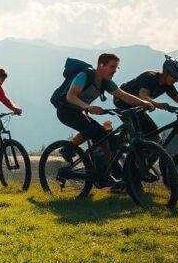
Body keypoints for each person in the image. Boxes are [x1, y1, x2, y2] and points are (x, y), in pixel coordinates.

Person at [53, 53, 153, 187]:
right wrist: (87, 107)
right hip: (65, 111)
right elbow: (70, 96)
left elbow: (122, 95)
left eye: (116, 68)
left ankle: (104, 173)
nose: (114, 71)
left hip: (77, 112)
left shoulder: (105, 81)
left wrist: (143, 103)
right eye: (112, 67)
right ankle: (103, 175)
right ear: (101, 65)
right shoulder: (85, 75)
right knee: (98, 134)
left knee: (102, 135)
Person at [115, 55, 178, 138]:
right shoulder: (150, 77)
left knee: (152, 134)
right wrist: (158, 104)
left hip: (137, 105)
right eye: (174, 76)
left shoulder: (167, 85)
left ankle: (140, 152)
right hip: (122, 101)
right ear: (165, 71)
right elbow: (142, 95)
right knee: (145, 133)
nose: (176, 80)